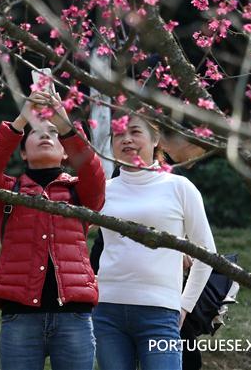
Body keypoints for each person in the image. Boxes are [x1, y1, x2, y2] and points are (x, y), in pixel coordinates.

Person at [0, 91, 105, 370]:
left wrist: (66, 123)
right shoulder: (8, 193)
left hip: (74, 315)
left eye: (54, 133)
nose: (46, 136)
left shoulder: (79, 192)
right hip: (20, 315)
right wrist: (22, 118)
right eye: (36, 132)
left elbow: (94, 173)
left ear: (65, 152)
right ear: (22, 151)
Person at [93, 111, 216, 370]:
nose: (126, 139)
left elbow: (207, 254)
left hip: (161, 313)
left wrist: (184, 307)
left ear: (156, 138)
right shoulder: (103, 191)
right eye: (118, 134)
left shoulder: (180, 187)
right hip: (107, 312)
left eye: (135, 132)